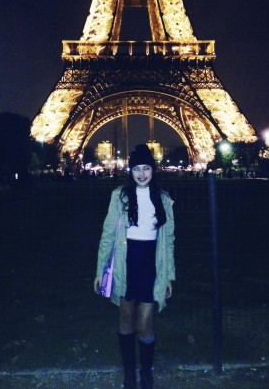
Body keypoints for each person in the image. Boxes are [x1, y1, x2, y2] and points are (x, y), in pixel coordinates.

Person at [94, 144, 176, 389]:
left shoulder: (163, 199)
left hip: (152, 264)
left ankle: (146, 371)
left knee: (146, 323)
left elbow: (169, 239)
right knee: (126, 319)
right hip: (125, 263)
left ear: (153, 170)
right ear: (130, 171)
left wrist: (170, 274)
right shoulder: (120, 196)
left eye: (146, 168)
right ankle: (130, 373)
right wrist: (100, 271)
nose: (142, 173)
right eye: (137, 168)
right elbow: (108, 235)